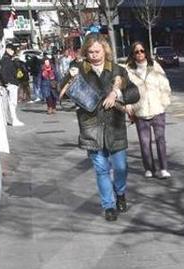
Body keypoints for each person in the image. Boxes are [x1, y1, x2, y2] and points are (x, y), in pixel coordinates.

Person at [62, 34, 140, 221]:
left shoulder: (117, 70)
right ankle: (109, 206)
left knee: (120, 167)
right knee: (101, 169)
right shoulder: (78, 69)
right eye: (90, 52)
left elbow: (134, 93)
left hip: (115, 126)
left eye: (97, 51)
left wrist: (117, 93)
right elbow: (62, 92)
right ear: (85, 52)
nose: (94, 55)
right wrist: (71, 84)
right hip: (91, 128)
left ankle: (120, 193)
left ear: (105, 50)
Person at [124, 41, 172, 179]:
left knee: (160, 139)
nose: (140, 54)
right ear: (132, 54)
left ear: (146, 52)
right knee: (145, 142)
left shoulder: (154, 66)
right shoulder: (128, 70)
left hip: (157, 110)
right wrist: (130, 108)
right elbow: (125, 91)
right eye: (136, 52)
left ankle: (163, 168)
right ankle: (149, 168)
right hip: (140, 111)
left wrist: (164, 103)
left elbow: (165, 85)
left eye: (142, 51)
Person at [0, 44, 24, 126]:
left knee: (12, 102)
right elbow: (3, 72)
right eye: (12, 50)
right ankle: (14, 119)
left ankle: (12, 119)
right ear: (7, 49)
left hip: (11, 83)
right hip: (11, 83)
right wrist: (7, 82)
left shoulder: (6, 59)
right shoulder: (6, 60)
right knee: (12, 103)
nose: (13, 51)